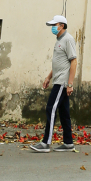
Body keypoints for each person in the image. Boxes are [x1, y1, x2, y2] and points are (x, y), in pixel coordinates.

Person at [31, 13, 77, 152]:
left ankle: (46, 143)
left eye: (54, 25)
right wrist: (48, 77)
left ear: (61, 26)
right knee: (64, 112)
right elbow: (58, 63)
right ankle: (68, 143)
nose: (52, 27)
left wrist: (70, 84)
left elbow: (73, 61)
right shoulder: (58, 40)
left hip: (62, 82)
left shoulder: (68, 39)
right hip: (57, 79)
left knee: (51, 108)